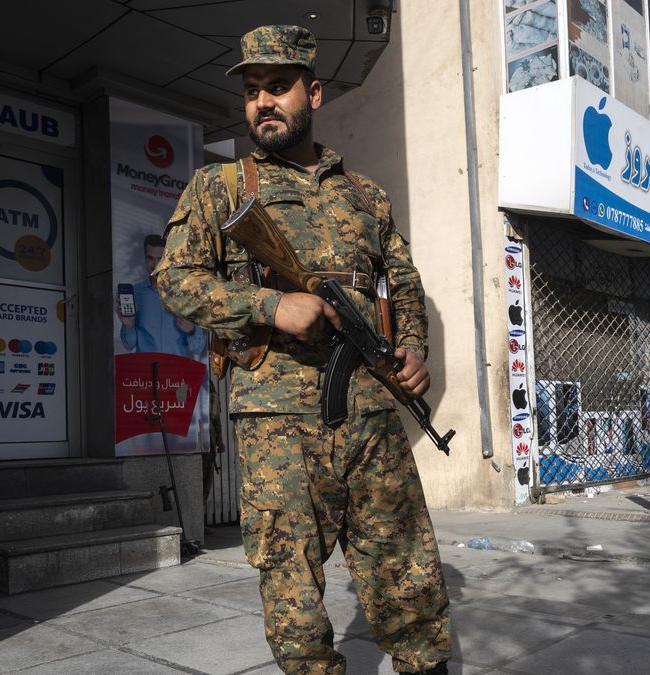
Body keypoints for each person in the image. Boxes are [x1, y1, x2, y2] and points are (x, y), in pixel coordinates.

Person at [153, 25, 451, 675]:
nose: (263, 101)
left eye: (278, 86)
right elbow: (174, 278)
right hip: (276, 419)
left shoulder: (366, 195)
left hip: (371, 410)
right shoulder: (221, 189)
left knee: (407, 572)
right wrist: (268, 306)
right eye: (253, 90)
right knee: (291, 595)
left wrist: (413, 349)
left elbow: (404, 285)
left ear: (313, 94)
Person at [116, 234, 205, 357]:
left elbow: (198, 349)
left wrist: (192, 330)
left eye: (160, 259)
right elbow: (129, 345)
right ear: (145, 258)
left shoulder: (185, 295)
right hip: (145, 372)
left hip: (177, 372)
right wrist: (128, 325)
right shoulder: (136, 293)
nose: (155, 265)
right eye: (150, 258)